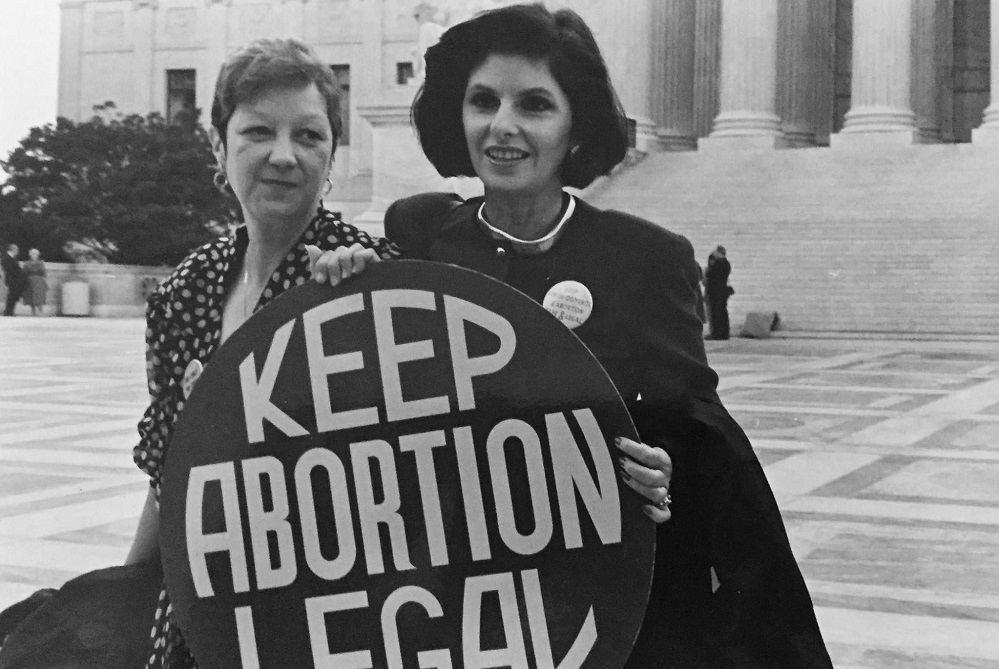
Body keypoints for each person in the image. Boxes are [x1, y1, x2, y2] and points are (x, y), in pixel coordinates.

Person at [351, 4, 830, 667]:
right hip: (458, 605)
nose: (502, 126)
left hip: (598, 607)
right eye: (482, 100)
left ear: (575, 125)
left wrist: (667, 471)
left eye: (535, 105)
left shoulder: (645, 258)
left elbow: (692, 427)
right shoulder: (420, 239)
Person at [120, 38, 399, 668]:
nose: (283, 155)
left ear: (331, 155)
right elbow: (169, 476)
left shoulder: (369, 281)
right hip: (201, 607)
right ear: (220, 147)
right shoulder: (184, 292)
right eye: (257, 132)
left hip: (328, 616)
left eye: (308, 135)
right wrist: (123, 595)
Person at [705, 245, 733, 340]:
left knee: (716, 313)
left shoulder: (718, 263)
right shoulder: (727, 263)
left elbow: (710, 275)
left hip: (715, 291)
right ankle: (724, 333)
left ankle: (716, 333)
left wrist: (711, 264)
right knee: (723, 312)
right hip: (723, 291)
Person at [2, 243, 25, 316]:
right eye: (16, 249)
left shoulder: (12, 258)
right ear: (13, 249)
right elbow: (9, 269)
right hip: (12, 279)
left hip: (15, 279)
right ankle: (8, 311)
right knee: (12, 295)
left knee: (13, 295)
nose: (18, 251)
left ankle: (9, 311)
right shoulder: (7, 257)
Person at [22, 248, 48, 316]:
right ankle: (33, 311)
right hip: (30, 281)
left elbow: (44, 273)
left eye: (35, 254)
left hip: (39, 281)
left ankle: (41, 310)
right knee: (31, 296)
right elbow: (24, 273)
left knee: (39, 296)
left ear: (38, 255)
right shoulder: (26, 263)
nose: (34, 256)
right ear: (30, 255)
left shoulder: (41, 263)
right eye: (32, 254)